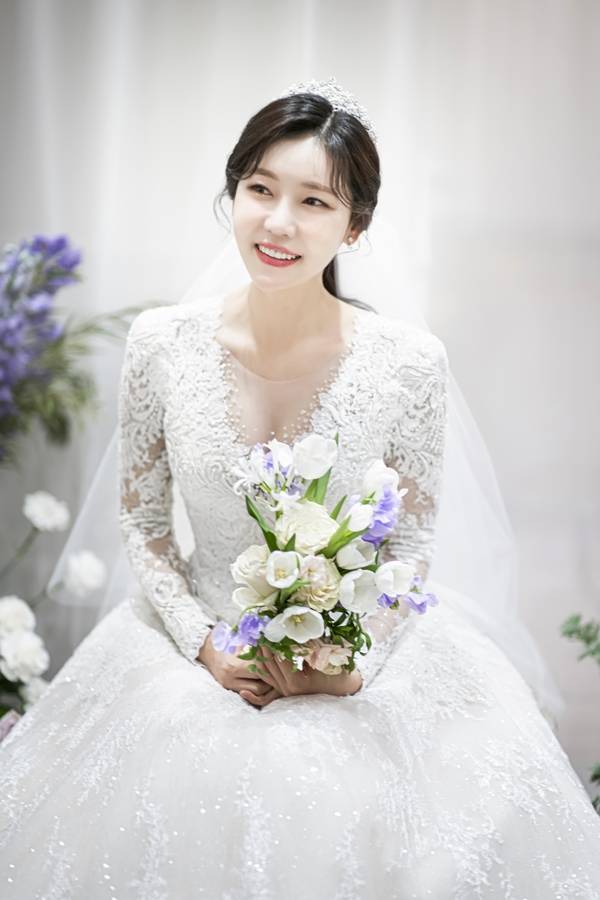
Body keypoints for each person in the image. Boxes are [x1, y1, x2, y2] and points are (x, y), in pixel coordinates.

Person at [1, 78, 599, 899]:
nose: (278, 222)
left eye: (314, 201)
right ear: (234, 195)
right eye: (260, 190)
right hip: (194, 649)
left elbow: (410, 543)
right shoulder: (160, 345)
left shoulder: (409, 363)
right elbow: (142, 523)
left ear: (354, 225)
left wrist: (352, 667)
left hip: (351, 660)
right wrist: (204, 644)